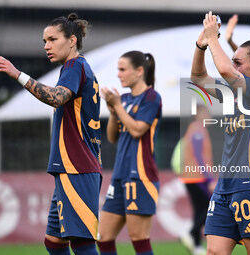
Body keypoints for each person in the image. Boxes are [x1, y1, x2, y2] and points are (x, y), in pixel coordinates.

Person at [0, 13, 102, 255]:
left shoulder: (74, 66)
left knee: (82, 244)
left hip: (77, 168)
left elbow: (56, 97)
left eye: (52, 39)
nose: (47, 46)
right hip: (71, 168)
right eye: (44, 41)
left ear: (72, 40)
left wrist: (17, 74)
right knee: (54, 242)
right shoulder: (78, 68)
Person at [191, 11, 250, 255]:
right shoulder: (235, 92)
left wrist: (213, 38)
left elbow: (225, 71)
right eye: (233, 61)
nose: (233, 66)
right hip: (226, 186)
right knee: (214, 252)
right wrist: (200, 46)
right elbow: (198, 78)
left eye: (238, 62)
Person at [97, 51, 162, 255]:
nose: (118, 74)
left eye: (122, 69)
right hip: (120, 176)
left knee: (138, 239)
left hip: (141, 176)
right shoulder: (123, 99)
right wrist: (113, 111)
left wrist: (118, 106)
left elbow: (137, 130)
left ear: (139, 71)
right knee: (103, 237)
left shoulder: (151, 97)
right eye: (118, 69)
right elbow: (112, 137)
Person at [171, 105, 215, 255]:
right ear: (199, 114)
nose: (209, 117)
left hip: (191, 178)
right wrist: (210, 179)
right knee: (211, 208)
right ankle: (190, 233)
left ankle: (196, 246)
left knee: (199, 212)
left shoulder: (193, 130)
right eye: (207, 113)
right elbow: (199, 157)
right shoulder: (198, 130)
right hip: (197, 178)